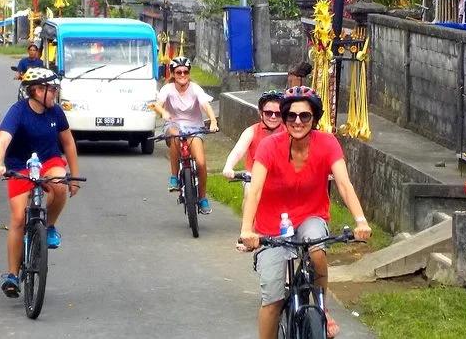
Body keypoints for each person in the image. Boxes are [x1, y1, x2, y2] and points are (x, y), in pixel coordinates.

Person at [239, 86, 372, 339]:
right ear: (285, 117)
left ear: (314, 118)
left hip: (311, 216)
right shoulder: (268, 146)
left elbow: (344, 184)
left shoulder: (328, 143)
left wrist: (360, 221)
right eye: (291, 115)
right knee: (272, 301)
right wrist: (247, 230)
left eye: (305, 116)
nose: (297, 121)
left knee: (317, 250)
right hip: (271, 226)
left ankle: (322, 306)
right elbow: (254, 191)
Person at [0, 67, 81, 298]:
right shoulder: (18, 112)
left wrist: (74, 176)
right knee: (19, 219)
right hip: (20, 165)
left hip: (48, 160)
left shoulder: (56, 112)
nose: (55, 93)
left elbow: (68, 142)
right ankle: (12, 275)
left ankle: (48, 226)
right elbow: (2, 139)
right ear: (38, 91)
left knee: (59, 184)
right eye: (52, 89)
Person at [154, 57, 219, 214]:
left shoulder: (195, 89)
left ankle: (202, 198)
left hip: (194, 128)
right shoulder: (167, 89)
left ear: (189, 73)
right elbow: (157, 105)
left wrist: (213, 121)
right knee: (175, 137)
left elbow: (206, 105)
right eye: (179, 72)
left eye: (185, 72)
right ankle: (174, 176)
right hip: (174, 125)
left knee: (201, 163)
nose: (182, 75)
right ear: (173, 74)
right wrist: (163, 113)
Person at [222, 90, 286, 207]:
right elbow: (238, 151)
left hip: (282, 179)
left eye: (278, 114)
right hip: (254, 177)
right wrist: (228, 167)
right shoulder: (251, 131)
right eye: (268, 113)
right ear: (260, 112)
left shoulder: (288, 133)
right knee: (250, 195)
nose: (273, 117)